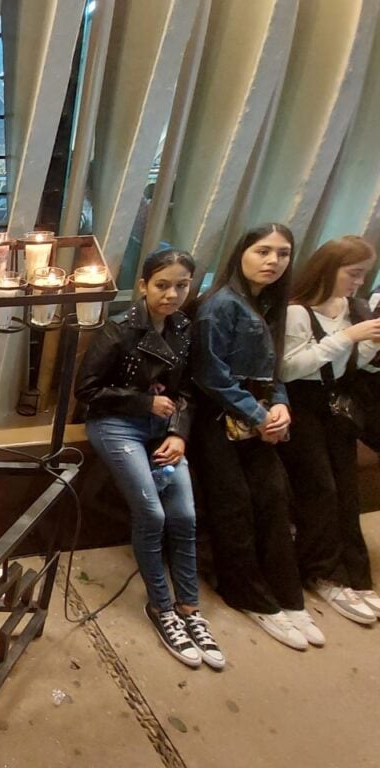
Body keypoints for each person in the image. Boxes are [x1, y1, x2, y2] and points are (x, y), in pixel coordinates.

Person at [76, 249, 224, 669]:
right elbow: (86, 392)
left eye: (181, 286)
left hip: (164, 431)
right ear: (143, 286)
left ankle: (190, 609)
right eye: (162, 285)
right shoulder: (120, 329)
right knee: (152, 514)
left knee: (185, 515)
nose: (172, 294)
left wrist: (179, 433)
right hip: (116, 424)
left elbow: (187, 393)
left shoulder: (183, 330)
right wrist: (143, 402)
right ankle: (161, 607)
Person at [189, 223, 324, 650]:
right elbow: (209, 375)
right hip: (218, 419)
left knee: (273, 499)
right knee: (235, 506)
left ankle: (287, 596)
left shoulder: (269, 304)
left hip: (259, 414)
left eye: (282, 253)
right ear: (242, 253)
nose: (273, 261)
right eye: (263, 251)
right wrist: (261, 413)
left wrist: (280, 404)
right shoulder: (220, 306)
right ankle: (248, 595)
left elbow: (273, 368)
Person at [278, 235, 380, 625]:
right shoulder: (299, 312)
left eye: (362, 276)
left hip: (335, 405)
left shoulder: (352, 307)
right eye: (352, 274)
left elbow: (347, 366)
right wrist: (347, 337)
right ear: (329, 269)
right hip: (302, 406)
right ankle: (322, 570)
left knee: (346, 489)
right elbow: (289, 368)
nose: (357, 283)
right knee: (320, 487)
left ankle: (353, 572)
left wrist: (367, 344)